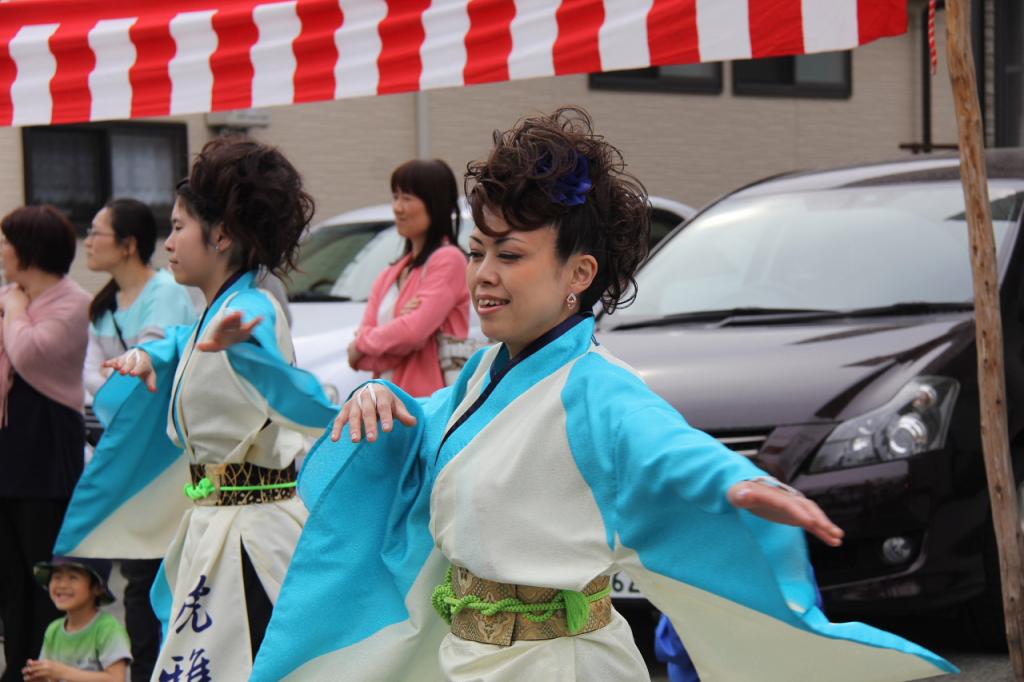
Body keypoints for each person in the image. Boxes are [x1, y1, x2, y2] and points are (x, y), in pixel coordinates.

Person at [250, 108, 955, 681]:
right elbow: (437, 431)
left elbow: (665, 444)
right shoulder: (482, 372)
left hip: (562, 665)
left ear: (577, 273)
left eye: (512, 254)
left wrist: (734, 483)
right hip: (469, 657)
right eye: (479, 251)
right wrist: (383, 407)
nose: (484, 275)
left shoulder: (595, 387)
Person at [97, 137, 337, 679]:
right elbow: (184, 348)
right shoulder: (219, 308)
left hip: (252, 539)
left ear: (222, 234)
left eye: (179, 227)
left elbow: (296, 396)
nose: (169, 244)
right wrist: (151, 358)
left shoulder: (250, 307)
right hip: (220, 525)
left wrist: (254, 357)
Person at [81, 198, 196, 682]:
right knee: (135, 577)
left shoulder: (165, 292)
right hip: (121, 452)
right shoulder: (105, 303)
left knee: (159, 573)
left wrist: (112, 382)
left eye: (96, 232)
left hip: (159, 456)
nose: (87, 240)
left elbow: (141, 375)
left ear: (128, 244)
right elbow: (90, 373)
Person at [0, 205, 91, 682]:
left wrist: (14, 312)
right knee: (10, 578)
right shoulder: (11, 298)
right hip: (8, 452)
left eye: (7, 242)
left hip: (45, 451)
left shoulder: (72, 302)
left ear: (29, 251)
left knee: (44, 576)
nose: (1, 252)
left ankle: (47, 669)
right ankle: (16, 669)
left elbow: (30, 354)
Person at [347, 159, 470, 396]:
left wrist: (361, 341)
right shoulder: (391, 273)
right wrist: (396, 333)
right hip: (387, 400)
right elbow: (359, 360)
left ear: (434, 203)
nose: (397, 207)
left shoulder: (449, 260)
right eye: (395, 197)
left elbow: (411, 334)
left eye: (407, 198)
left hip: (430, 402)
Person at [22, 556, 131, 682]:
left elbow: (117, 679)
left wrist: (62, 672)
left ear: (97, 588)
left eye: (73, 577)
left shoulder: (107, 629)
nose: (62, 585)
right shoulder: (54, 629)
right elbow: (51, 676)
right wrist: (38, 675)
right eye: (57, 577)